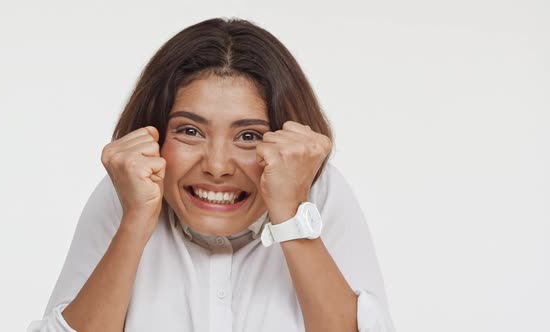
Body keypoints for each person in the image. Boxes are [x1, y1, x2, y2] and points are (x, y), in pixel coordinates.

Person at [27, 17, 395, 332]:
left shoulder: (319, 193)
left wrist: (291, 213)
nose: (217, 167)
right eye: (190, 131)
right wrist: (136, 221)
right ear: (152, 135)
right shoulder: (129, 192)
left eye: (249, 136)